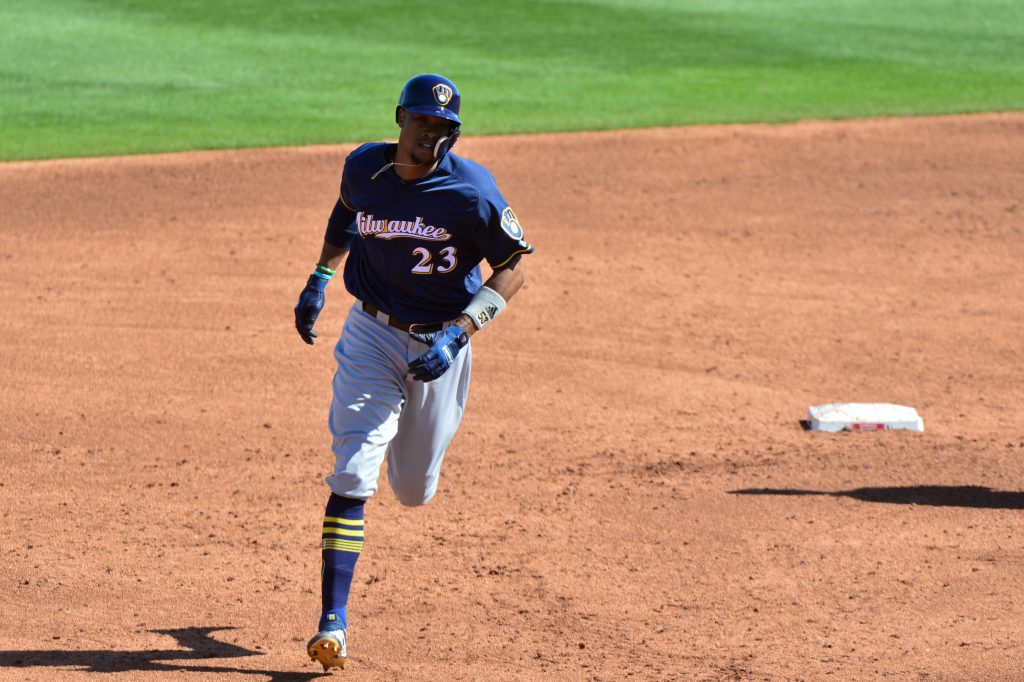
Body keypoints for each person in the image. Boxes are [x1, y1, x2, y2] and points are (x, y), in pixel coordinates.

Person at [293, 73, 534, 671]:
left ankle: (404, 435)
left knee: (412, 491)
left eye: (444, 127)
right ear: (400, 117)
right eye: (423, 122)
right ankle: (334, 623)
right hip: (370, 333)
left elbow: (512, 269)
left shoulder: (472, 192)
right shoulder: (364, 168)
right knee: (352, 472)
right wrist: (320, 278)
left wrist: (460, 333)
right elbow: (345, 213)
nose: (432, 134)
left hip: (439, 344)